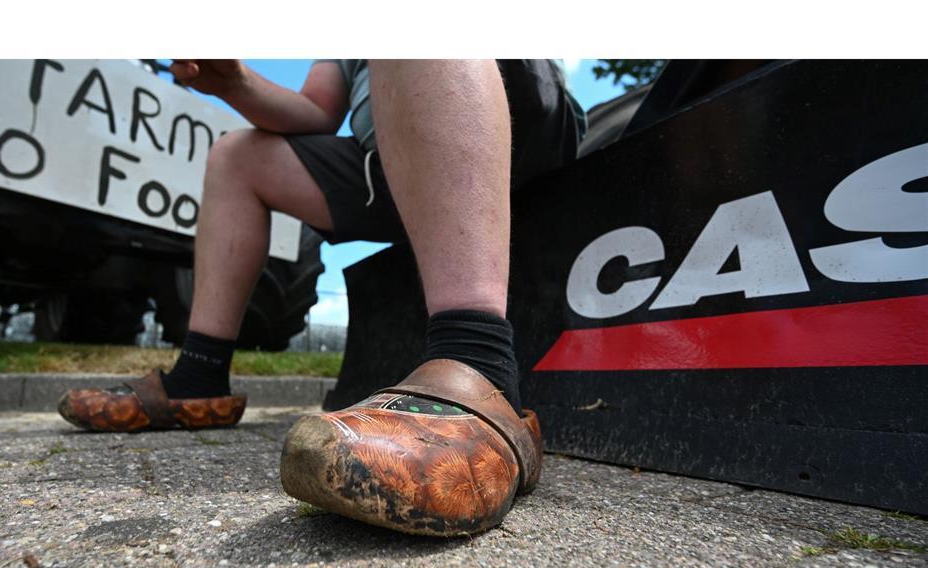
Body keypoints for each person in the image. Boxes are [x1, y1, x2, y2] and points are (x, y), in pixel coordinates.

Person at [59, 60, 585, 536]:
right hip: (386, 157)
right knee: (238, 155)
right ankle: (198, 378)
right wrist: (236, 83)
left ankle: (480, 360)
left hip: (513, 109)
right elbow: (315, 112)